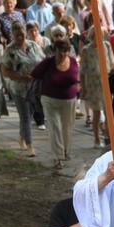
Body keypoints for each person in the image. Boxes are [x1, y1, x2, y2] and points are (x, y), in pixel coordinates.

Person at [31, 37, 80, 170]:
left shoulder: (74, 62)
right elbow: (34, 73)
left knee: (67, 128)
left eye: (65, 51)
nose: (63, 54)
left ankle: (65, 151)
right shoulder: (48, 62)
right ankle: (57, 158)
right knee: (55, 128)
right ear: (55, 50)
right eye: (60, 50)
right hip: (50, 99)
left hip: (69, 100)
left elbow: (77, 78)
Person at [1, 21, 45, 157]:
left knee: (30, 113)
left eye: (22, 34)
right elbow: (5, 71)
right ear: (13, 35)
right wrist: (20, 77)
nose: (20, 38)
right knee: (25, 116)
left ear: (26, 33)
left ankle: (22, 137)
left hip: (33, 87)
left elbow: (42, 61)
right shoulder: (10, 50)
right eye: (17, 35)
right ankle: (30, 145)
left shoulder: (33, 46)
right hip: (19, 88)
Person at [80, 26, 114, 149]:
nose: (99, 38)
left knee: (108, 111)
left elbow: (112, 63)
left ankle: (109, 137)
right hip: (93, 84)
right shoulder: (86, 50)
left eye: (101, 35)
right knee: (96, 112)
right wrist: (83, 88)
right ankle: (96, 139)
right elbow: (82, 71)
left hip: (106, 82)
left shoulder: (106, 46)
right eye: (96, 35)